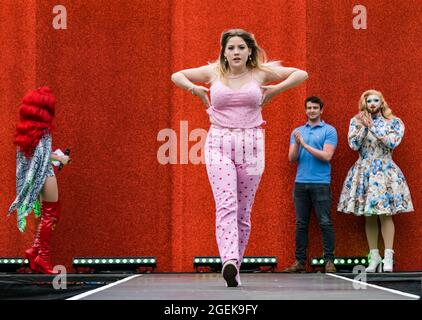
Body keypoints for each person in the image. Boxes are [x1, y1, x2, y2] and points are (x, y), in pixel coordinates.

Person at [171, 29, 308, 287]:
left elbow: (301, 74)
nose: (236, 52)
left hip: (251, 144)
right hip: (218, 142)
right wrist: (195, 90)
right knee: (226, 204)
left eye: (241, 48)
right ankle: (229, 261)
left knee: (243, 212)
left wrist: (276, 90)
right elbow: (176, 75)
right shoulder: (213, 72)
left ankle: (236, 266)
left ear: (249, 51)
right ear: (223, 52)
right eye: (231, 47)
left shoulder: (260, 72)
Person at [337, 89, 413, 272]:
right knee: (369, 215)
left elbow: (392, 142)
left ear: (382, 102)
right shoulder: (356, 122)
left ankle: (388, 256)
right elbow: (353, 145)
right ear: (364, 103)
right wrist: (364, 127)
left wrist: (373, 127)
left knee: (385, 214)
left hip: (385, 170)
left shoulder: (393, 122)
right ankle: (374, 256)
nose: (372, 103)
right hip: (364, 170)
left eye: (375, 100)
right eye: (368, 100)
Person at [8, 86, 71, 274]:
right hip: (46, 175)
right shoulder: (43, 131)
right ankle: (41, 256)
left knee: (48, 214)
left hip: (38, 175)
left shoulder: (26, 131)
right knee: (51, 214)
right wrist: (61, 158)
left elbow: (37, 156)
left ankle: (35, 249)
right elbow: (44, 157)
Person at [284, 96, 337, 273]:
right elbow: (292, 159)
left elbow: (327, 156)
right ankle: (299, 262)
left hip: (321, 183)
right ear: (305, 110)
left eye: (315, 108)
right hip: (301, 183)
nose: (312, 111)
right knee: (301, 224)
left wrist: (305, 145)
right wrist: (298, 145)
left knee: (325, 222)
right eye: (309, 108)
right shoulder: (297, 131)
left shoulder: (329, 131)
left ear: (321, 110)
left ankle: (329, 261)